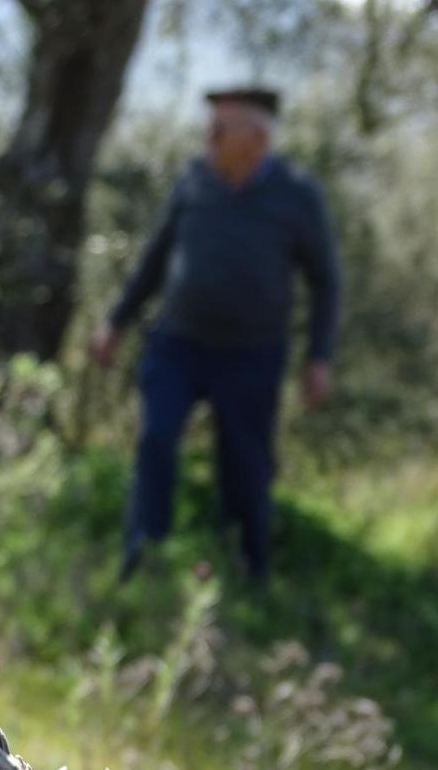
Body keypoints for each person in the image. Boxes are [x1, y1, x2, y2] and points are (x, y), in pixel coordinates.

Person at [91, 88, 340, 584]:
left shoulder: (296, 195)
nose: (208, 137)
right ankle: (143, 560)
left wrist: (319, 357)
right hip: (177, 345)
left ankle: (249, 570)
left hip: (252, 356)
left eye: (220, 128)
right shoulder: (195, 179)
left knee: (245, 466)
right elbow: (156, 259)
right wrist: (116, 321)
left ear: (257, 139)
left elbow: (325, 279)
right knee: (156, 441)